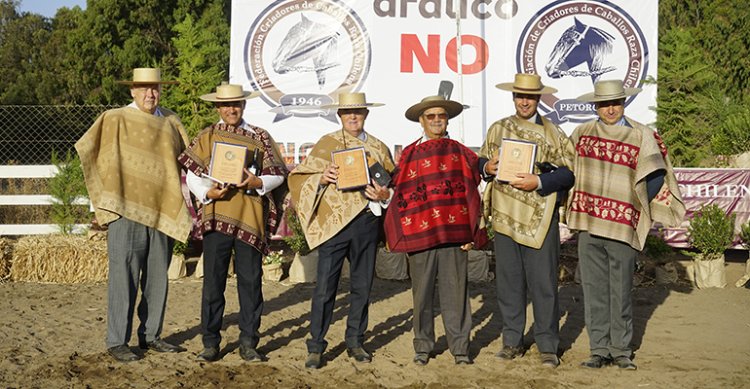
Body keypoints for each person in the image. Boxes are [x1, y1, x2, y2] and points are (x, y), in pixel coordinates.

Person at [75, 67, 192, 362]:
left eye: (154, 88)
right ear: (132, 91)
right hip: (124, 210)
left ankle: (151, 335)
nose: (149, 93)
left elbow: (186, 160)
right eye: (143, 88)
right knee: (123, 275)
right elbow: (89, 149)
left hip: (162, 210)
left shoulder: (170, 122)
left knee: (157, 278)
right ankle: (117, 340)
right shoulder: (115, 119)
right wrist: (104, 198)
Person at [567, 80, 685, 370]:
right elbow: (566, 168)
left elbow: (657, 173)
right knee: (594, 290)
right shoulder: (582, 134)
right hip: (590, 222)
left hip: (622, 225)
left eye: (615, 102)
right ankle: (598, 349)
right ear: (596, 105)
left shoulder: (642, 135)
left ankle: (620, 350)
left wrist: (634, 205)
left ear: (624, 102)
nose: (610, 108)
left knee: (620, 290)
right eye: (605, 103)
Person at [178, 83, 288, 362]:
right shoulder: (208, 135)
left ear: (244, 105)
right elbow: (192, 175)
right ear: (218, 107)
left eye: (236, 104)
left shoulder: (260, 137)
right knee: (213, 283)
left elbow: (278, 173)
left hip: (250, 219)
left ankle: (249, 342)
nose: (231, 109)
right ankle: (210, 342)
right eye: (226, 105)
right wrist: (206, 192)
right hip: (217, 218)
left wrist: (258, 182)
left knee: (251, 283)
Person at [288, 92, 395, 369]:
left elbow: (392, 188)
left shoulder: (379, 148)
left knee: (362, 286)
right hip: (335, 225)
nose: (353, 116)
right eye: (348, 112)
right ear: (339, 115)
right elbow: (300, 177)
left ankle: (355, 341)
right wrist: (321, 177)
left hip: (366, 222)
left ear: (366, 114)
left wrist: (384, 194)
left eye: (358, 111)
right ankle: (316, 346)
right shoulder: (327, 144)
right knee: (325, 287)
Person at [478, 73, 575, 368]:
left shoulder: (553, 133)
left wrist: (540, 181)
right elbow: (481, 161)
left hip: (540, 219)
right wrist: (487, 166)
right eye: (520, 96)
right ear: (513, 97)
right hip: (506, 216)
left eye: (530, 97)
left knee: (544, 283)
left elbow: (569, 173)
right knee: (509, 283)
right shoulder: (499, 129)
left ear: (538, 99)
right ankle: (512, 340)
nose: (524, 101)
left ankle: (547, 344)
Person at [383, 95, 486, 366]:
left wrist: (472, 233)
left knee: (457, 294)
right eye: (431, 116)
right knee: (422, 294)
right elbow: (398, 192)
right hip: (421, 235)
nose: (437, 120)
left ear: (447, 119)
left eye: (441, 115)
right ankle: (423, 346)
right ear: (421, 121)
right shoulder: (408, 154)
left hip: (455, 235)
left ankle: (460, 348)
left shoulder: (461, 151)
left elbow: (474, 188)